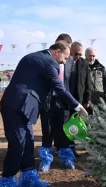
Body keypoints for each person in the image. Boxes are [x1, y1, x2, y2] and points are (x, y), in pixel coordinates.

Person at [0, 41, 88, 187]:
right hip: (16, 106)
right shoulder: (48, 62)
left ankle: (28, 176)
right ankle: (7, 178)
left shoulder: (37, 57)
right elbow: (59, 88)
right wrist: (77, 106)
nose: (65, 61)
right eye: (65, 57)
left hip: (22, 106)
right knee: (18, 142)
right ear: (57, 52)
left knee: (29, 140)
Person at [39, 34, 77, 173]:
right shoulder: (45, 59)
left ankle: (66, 158)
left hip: (64, 102)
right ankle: (46, 160)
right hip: (48, 101)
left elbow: (72, 83)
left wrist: (73, 102)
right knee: (47, 131)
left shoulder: (71, 61)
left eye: (65, 45)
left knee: (63, 132)